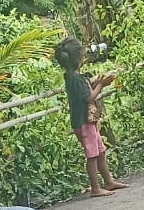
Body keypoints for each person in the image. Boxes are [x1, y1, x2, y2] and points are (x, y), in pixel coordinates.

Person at [54, 38, 128, 198]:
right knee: (92, 155)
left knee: (100, 151)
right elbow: (89, 98)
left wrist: (97, 83)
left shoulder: (72, 77)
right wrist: (101, 85)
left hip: (87, 120)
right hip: (84, 122)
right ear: (78, 59)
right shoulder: (75, 78)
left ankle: (108, 181)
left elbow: (84, 93)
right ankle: (95, 188)